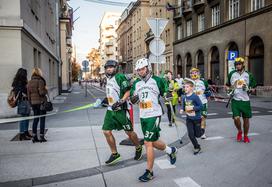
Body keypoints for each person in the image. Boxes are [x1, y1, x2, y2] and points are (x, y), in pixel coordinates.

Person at [130, 58, 177, 182]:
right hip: (143, 115)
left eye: (143, 69)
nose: (140, 72)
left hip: (154, 114)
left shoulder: (157, 80)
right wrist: (133, 99)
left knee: (147, 142)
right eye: (138, 70)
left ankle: (149, 172)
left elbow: (165, 91)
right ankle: (170, 150)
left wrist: (167, 94)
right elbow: (133, 98)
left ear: (148, 68)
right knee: (153, 141)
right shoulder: (136, 83)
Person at [100, 60, 143, 165]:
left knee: (129, 132)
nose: (109, 69)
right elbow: (113, 91)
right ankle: (115, 154)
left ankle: (138, 147)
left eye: (111, 67)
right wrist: (107, 99)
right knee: (106, 131)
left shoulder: (120, 77)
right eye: (107, 67)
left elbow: (127, 91)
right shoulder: (108, 79)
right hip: (111, 110)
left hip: (122, 110)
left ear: (116, 68)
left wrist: (120, 101)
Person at [225, 57, 257, 143]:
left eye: (239, 64)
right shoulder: (231, 74)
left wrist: (248, 89)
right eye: (236, 64)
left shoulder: (248, 75)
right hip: (235, 100)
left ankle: (246, 136)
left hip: (245, 100)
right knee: (236, 118)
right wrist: (228, 90)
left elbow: (254, 88)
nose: (238, 66)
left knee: (246, 119)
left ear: (243, 65)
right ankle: (239, 131)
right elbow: (227, 85)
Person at [180, 78, 204, 155]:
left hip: (196, 118)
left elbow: (201, 106)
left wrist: (193, 108)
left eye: (187, 87)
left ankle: (202, 130)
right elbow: (184, 106)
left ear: (191, 88)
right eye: (184, 87)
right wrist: (182, 109)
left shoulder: (195, 97)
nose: (185, 88)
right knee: (191, 134)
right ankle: (197, 146)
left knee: (198, 135)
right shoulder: (184, 97)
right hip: (189, 119)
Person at [27, 68, 48, 143]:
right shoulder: (40, 81)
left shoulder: (29, 82)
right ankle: (41, 136)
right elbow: (42, 93)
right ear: (39, 73)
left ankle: (34, 136)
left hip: (33, 103)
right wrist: (46, 89)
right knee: (42, 119)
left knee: (35, 119)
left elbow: (28, 95)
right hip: (41, 103)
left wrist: (30, 103)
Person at [189, 68, 211, 139]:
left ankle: (202, 132)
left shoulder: (203, 82)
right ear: (190, 75)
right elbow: (184, 93)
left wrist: (206, 95)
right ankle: (196, 130)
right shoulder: (188, 83)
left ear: (199, 74)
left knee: (203, 118)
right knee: (194, 119)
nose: (194, 74)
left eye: (196, 72)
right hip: (192, 104)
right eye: (192, 73)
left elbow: (208, 92)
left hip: (202, 103)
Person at [12, 68, 31, 141]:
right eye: (25, 74)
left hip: (26, 101)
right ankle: (22, 133)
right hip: (22, 101)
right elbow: (20, 92)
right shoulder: (19, 83)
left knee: (26, 117)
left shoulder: (21, 82)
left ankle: (25, 132)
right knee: (23, 118)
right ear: (23, 74)